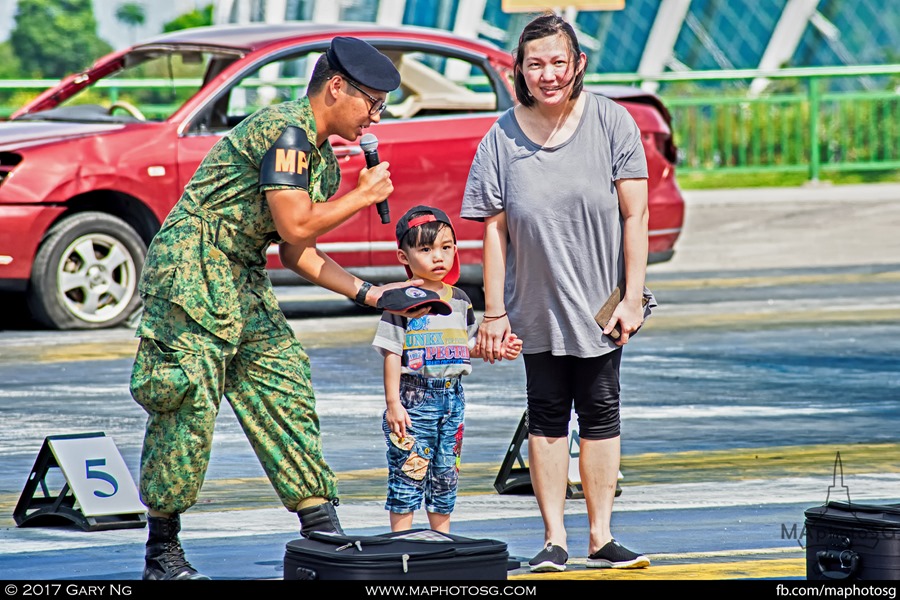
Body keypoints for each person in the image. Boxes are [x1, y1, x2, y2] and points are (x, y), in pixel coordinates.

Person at [129, 36, 428, 581]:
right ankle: (162, 551)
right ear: (336, 87)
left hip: (239, 273)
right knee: (187, 401)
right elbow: (294, 224)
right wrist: (362, 198)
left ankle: (321, 527)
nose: (375, 118)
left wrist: (370, 293)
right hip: (192, 268)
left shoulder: (319, 160)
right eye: (371, 103)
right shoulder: (285, 131)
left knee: (283, 381)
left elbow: (297, 251)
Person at [460, 13, 655, 572]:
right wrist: (494, 313)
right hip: (534, 308)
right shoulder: (501, 136)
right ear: (519, 70)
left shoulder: (612, 123)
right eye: (535, 64)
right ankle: (554, 540)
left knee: (601, 412)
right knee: (545, 416)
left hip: (600, 307)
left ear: (578, 66)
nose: (548, 74)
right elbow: (492, 232)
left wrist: (632, 296)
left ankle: (601, 536)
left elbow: (635, 216)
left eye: (558, 63)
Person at [372, 206, 523, 533]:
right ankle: (404, 544)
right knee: (409, 471)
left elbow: (465, 346)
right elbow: (391, 352)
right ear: (404, 255)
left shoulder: (460, 300)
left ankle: (441, 541)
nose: (438, 257)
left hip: (452, 399)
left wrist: (495, 349)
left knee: (445, 474)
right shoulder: (401, 301)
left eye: (446, 247)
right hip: (414, 399)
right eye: (425, 249)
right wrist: (393, 404)